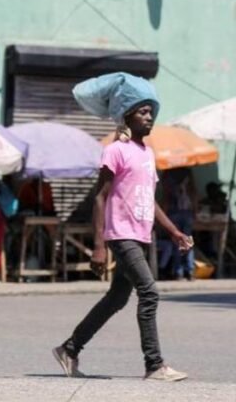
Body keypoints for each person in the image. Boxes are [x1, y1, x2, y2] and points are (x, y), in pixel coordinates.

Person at [53, 74, 190, 382]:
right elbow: (99, 198)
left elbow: (149, 201)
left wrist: (174, 232)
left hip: (141, 236)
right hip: (121, 235)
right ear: (127, 115)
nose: (149, 117)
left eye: (151, 111)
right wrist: (99, 246)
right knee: (149, 293)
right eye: (143, 111)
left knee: (117, 299)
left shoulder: (147, 154)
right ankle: (154, 364)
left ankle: (69, 349)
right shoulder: (115, 151)